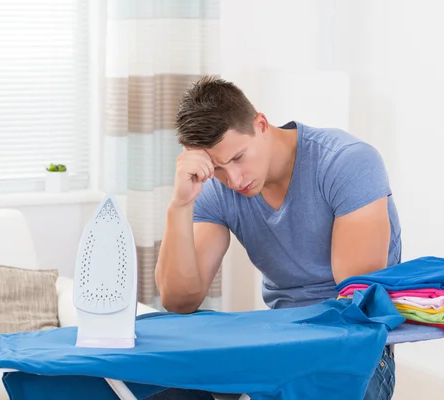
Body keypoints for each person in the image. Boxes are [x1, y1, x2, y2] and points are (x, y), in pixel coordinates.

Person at [154, 76, 402, 400]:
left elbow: (355, 302)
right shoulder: (215, 188)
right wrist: (180, 205)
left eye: (238, 157)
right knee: (162, 384)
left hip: (354, 344)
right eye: (217, 168)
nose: (234, 179)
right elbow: (179, 300)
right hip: (279, 336)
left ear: (260, 124)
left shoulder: (347, 162)